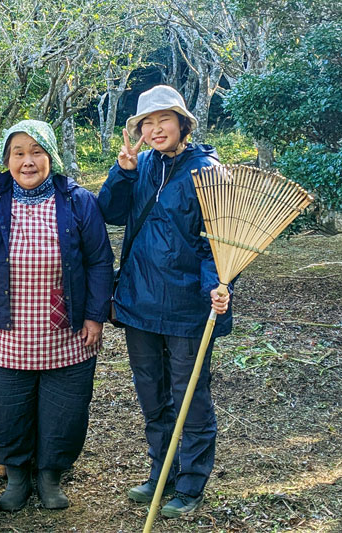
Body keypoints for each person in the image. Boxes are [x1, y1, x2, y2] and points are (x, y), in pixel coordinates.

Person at [0, 120, 113, 511]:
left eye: (36, 152)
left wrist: (95, 315)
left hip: (68, 329)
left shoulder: (78, 201)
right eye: (19, 153)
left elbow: (99, 261)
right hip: (10, 329)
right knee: (10, 409)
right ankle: (17, 478)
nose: (28, 162)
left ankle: (50, 477)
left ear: (51, 156)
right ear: (6, 159)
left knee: (65, 410)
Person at [97, 85, 232, 518]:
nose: (155, 129)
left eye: (164, 120)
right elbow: (109, 212)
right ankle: (162, 472)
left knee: (189, 395)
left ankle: (190, 484)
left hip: (186, 304)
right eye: (147, 123)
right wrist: (122, 171)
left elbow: (222, 240)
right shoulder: (143, 164)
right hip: (138, 298)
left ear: (182, 124)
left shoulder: (207, 171)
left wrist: (218, 283)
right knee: (152, 393)